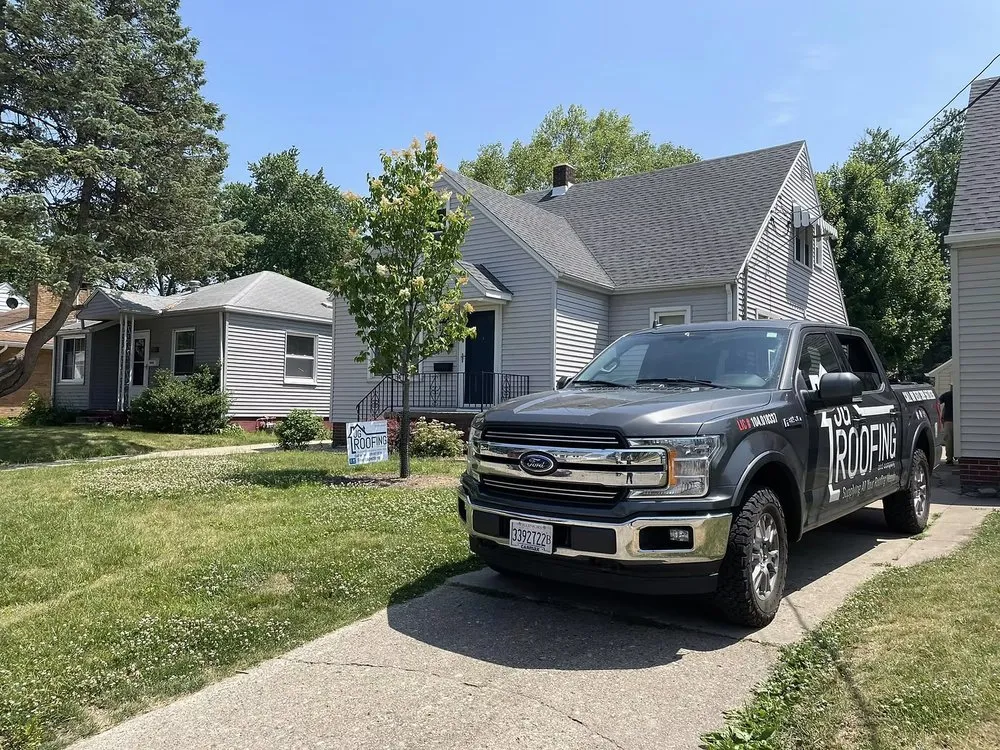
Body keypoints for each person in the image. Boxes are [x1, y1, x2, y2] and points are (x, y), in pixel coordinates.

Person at [939, 385, 954, 465]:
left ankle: (949, 458)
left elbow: (938, 402)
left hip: (948, 421)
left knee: (948, 440)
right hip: (959, 421)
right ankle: (957, 457)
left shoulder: (947, 395)